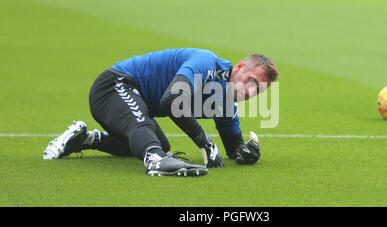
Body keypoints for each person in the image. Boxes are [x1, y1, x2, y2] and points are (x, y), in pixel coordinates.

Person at [43, 48, 279, 177]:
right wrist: (204, 141)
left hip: (134, 104)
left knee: (158, 143)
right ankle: (154, 161)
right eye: (250, 81)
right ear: (238, 67)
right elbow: (171, 101)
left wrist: (246, 153)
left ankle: (85, 139)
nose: (250, 92)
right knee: (149, 140)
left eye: (258, 90)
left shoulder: (227, 101)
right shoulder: (207, 62)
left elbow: (233, 147)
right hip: (114, 86)